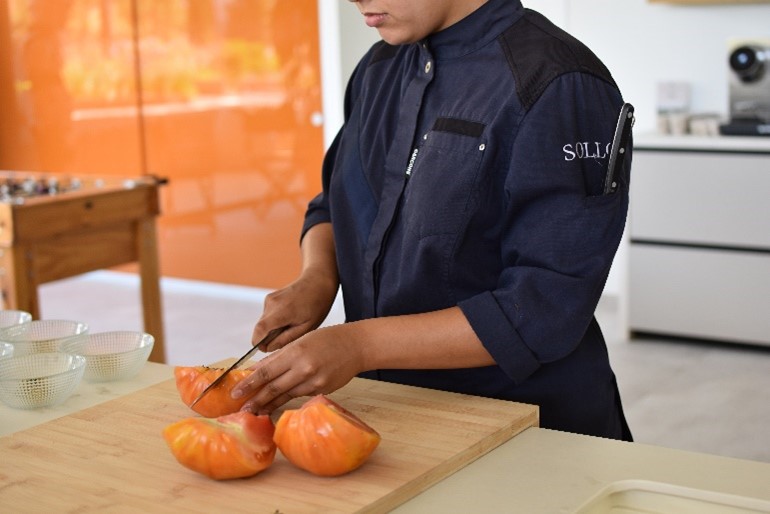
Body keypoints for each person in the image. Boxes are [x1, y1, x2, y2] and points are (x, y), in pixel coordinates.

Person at [232, 0, 633, 441]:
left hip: (529, 427)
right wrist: (317, 278)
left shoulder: (559, 82)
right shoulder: (378, 67)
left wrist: (358, 344)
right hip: (393, 413)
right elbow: (335, 203)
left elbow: (543, 309)